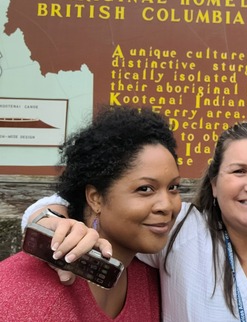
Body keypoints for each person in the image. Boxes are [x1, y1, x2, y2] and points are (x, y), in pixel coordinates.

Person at [22, 120, 247, 322]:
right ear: (213, 183)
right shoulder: (179, 227)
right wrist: (56, 224)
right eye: (239, 171)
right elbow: (66, 201)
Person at [2, 105, 182, 321]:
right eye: (145, 189)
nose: (167, 205)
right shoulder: (29, 298)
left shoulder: (147, 277)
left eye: (173, 188)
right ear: (95, 198)